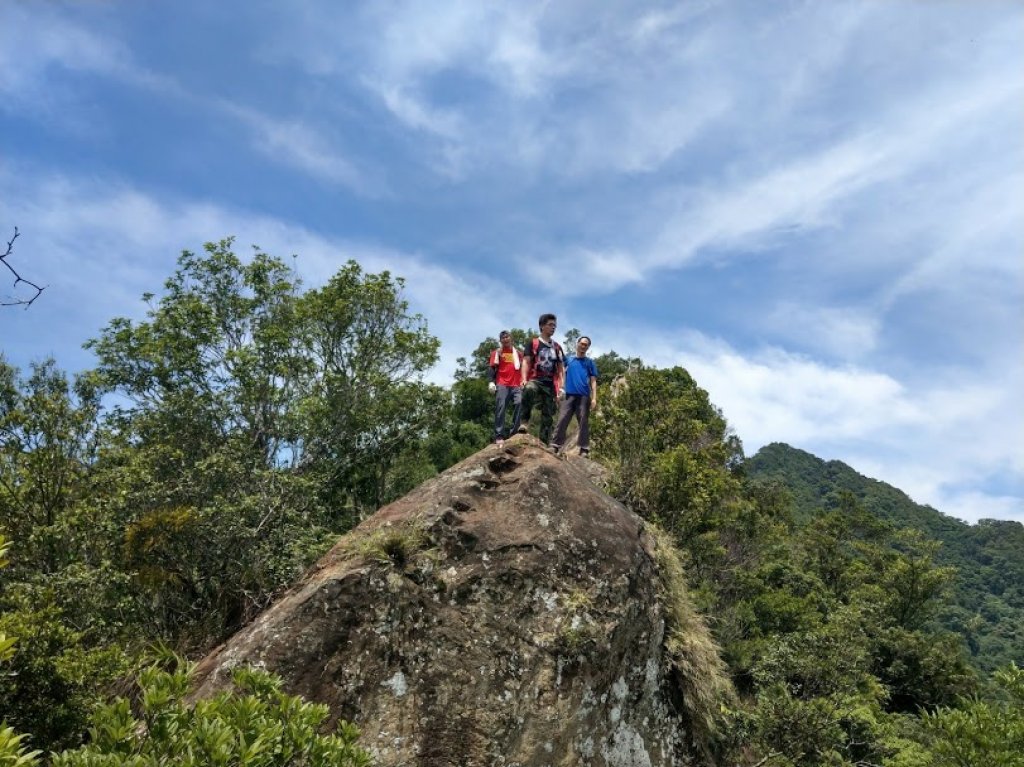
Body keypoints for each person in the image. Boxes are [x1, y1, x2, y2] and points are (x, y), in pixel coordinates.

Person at [520, 313, 565, 445]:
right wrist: (523, 379)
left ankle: (544, 441)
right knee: (529, 389)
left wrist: (562, 388)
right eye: (550, 325)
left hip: (550, 383)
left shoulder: (557, 347)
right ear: (541, 326)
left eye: (555, 326)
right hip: (535, 379)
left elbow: (561, 369)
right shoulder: (533, 343)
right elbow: (526, 362)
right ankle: (524, 423)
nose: (553, 328)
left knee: (548, 413)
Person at [550, 335, 598, 456]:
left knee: (583, 421)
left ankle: (584, 448)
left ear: (588, 347)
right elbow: (560, 372)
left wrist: (594, 398)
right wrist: (559, 390)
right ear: (577, 344)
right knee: (562, 419)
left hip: (584, 396)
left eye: (586, 345)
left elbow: (593, 381)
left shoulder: (590, 363)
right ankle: (555, 445)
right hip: (568, 395)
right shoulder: (569, 360)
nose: (583, 346)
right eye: (582, 343)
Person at [487, 330, 522, 446]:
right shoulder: (497, 353)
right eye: (503, 338)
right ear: (500, 340)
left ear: (511, 338)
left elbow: (525, 367)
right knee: (500, 408)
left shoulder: (518, 354)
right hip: (502, 384)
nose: (505, 339)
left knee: (519, 403)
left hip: (516, 384)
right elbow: (492, 368)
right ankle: (499, 435)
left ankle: (514, 432)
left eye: (507, 337)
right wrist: (491, 382)